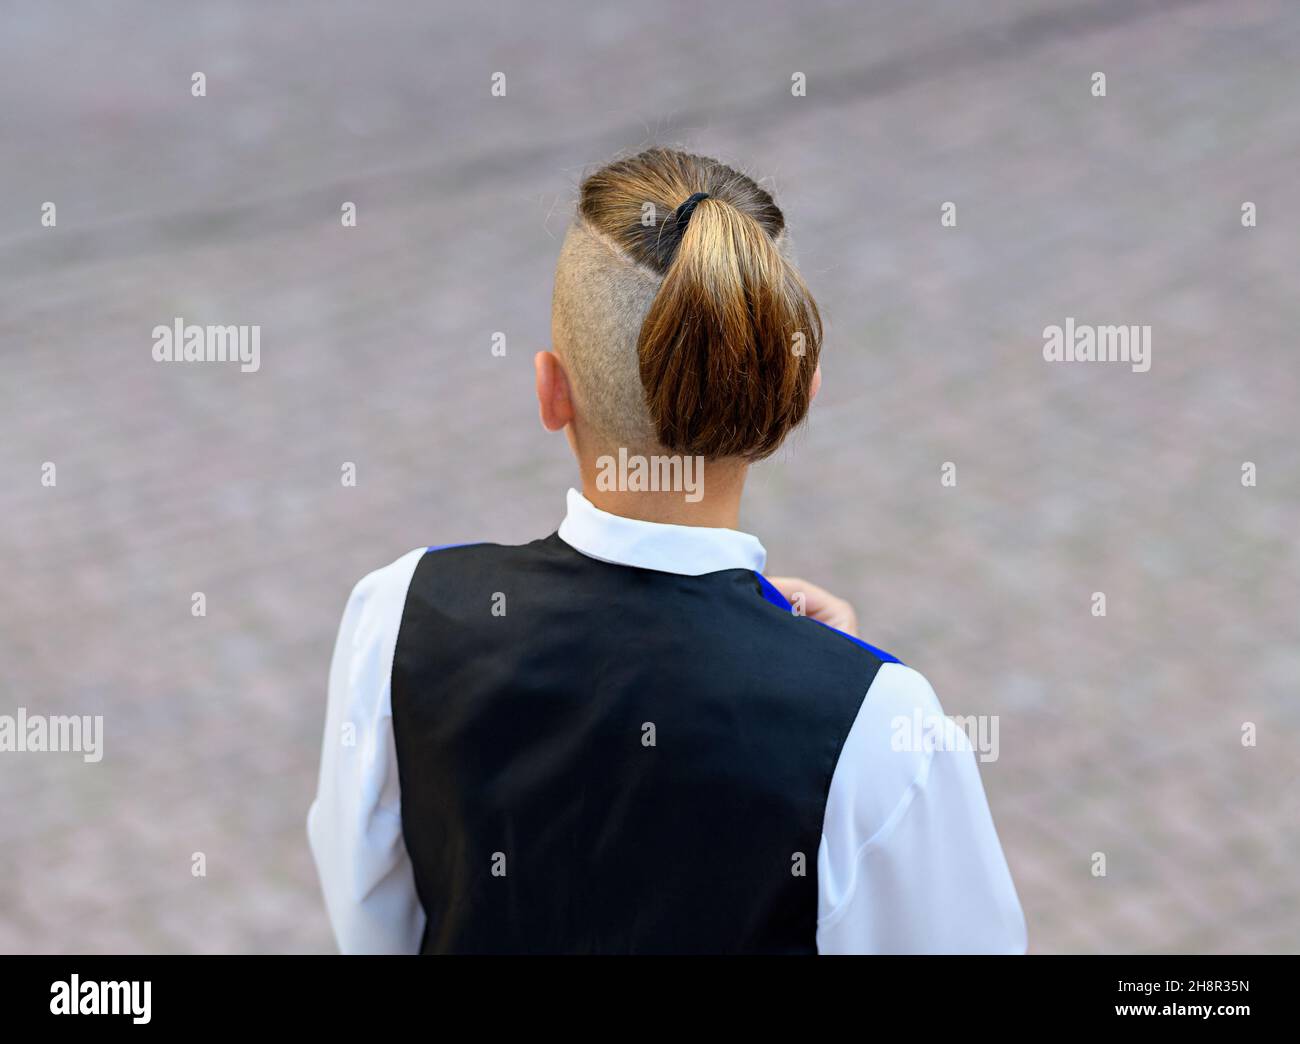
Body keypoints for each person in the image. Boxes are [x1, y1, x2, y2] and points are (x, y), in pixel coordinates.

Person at [308, 146, 1027, 954]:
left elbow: (372, 924)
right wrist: (838, 684)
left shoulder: (399, 616)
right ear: (796, 395)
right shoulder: (885, 731)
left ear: (551, 391)